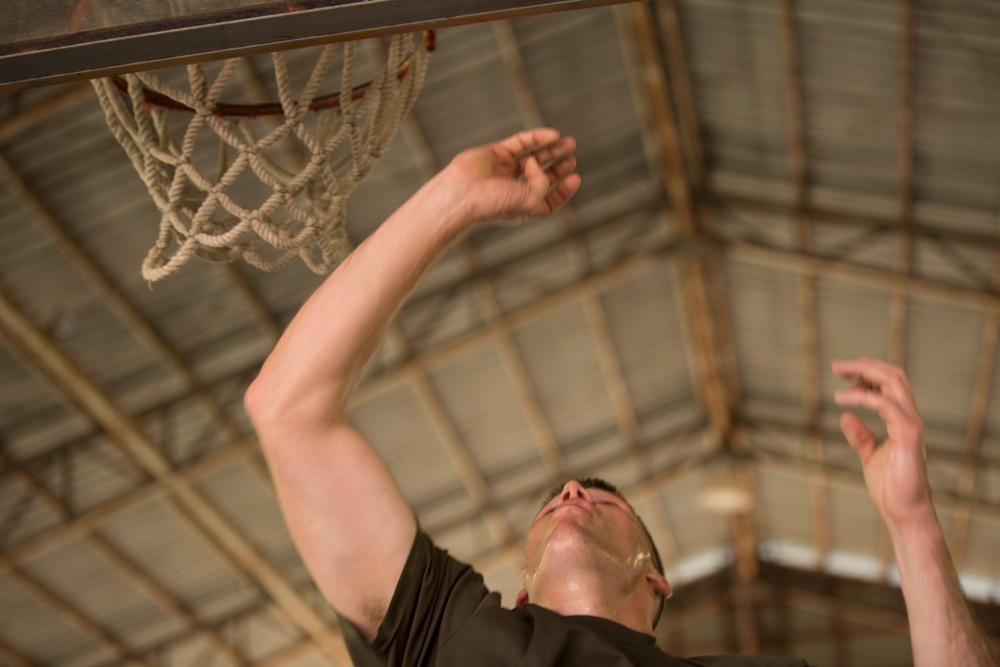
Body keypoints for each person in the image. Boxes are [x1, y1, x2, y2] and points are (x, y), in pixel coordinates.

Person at [244, 129, 997, 666]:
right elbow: (289, 407)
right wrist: (451, 200)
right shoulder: (446, 632)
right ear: (516, 595)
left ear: (656, 580)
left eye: (600, 499)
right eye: (563, 496)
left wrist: (914, 524)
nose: (572, 489)